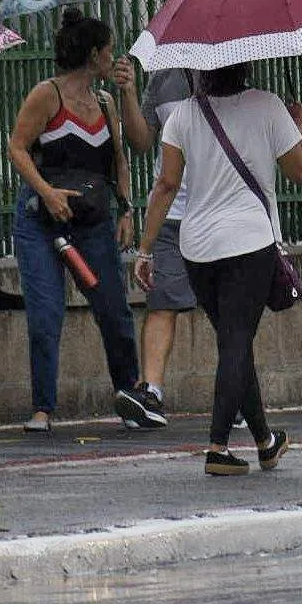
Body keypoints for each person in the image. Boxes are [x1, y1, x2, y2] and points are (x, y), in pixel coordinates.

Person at [134, 63, 302, 475]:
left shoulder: (183, 115)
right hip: (250, 241)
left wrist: (145, 250)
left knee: (234, 342)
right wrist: (298, 125)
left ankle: (265, 441)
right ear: (247, 65)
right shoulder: (267, 106)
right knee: (235, 341)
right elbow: (299, 171)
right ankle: (217, 446)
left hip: (197, 246)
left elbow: (166, 185)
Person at [7, 7, 149, 432]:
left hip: (91, 219)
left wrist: (126, 209)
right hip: (42, 221)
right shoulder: (46, 95)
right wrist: (46, 193)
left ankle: (128, 393)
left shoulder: (106, 101)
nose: (113, 58)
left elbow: (127, 155)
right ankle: (43, 408)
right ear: (92, 55)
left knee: (113, 309)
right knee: (46, 312)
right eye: (108, 51)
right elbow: (17, 148)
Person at [110, 58, 196, 430]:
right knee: (161, 302)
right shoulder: (165, 76)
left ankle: (240, 393)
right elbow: (142, 140)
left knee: (229, 312)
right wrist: (128, 92)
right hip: (171, 214)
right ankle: (152, 392)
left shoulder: (232, 69)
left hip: (219, 213)